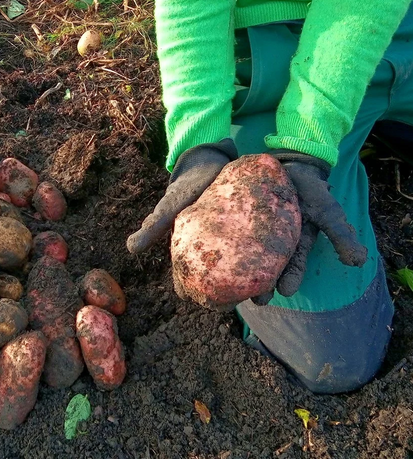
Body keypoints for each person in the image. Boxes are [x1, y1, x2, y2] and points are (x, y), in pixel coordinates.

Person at [127, 0, 413, 394]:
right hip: (277, 43)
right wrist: (201, 136)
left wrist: (312, 133)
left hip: (396, 19)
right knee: (332, 356)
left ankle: (371, 125)